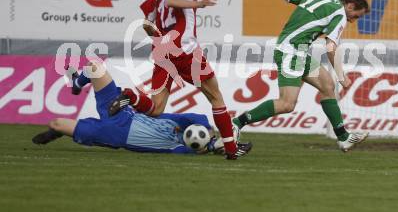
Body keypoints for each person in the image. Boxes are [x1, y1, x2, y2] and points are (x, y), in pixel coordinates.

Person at [77, 0, 250, 160]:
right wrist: (199, 3)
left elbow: (147, 25)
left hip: (162, 51)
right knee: (216, 97)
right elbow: (173, 0)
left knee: (157, 108)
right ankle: (232, 150)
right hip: (184, 49)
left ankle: (131, 96)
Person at [233, 0, 370, 152]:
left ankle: (343, 137)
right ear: (350, 6)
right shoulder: (340, 14)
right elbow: (330, 48)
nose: (352, 20)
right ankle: (236, 124)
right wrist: (342, 76)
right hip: (291, 53)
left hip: (299, 53)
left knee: (327, 85)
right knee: (286, 104)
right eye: (356, 16)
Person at [32, 62, 249, 155]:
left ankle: (57, 133)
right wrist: (210, 136)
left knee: (56, 124)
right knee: (94, 67)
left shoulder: (178, 149)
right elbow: (199, 117)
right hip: (124, 111)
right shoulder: (182, 124)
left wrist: (210, 147)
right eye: (208, 133)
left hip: (115, 134)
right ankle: (78, 84)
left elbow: (194, 149)